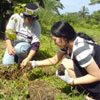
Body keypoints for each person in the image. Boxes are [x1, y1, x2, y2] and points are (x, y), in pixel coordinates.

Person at [23, 21, 100, 100]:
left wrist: (72, 81)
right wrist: (34, 63)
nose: (55, 43)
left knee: (67, 63)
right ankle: (84, 89)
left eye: (55, 40)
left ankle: (94, 95)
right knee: (65, 59)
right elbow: (54, 60)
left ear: (64, 38)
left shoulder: (79, 49)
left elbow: (97, 76)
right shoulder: (68, 44)